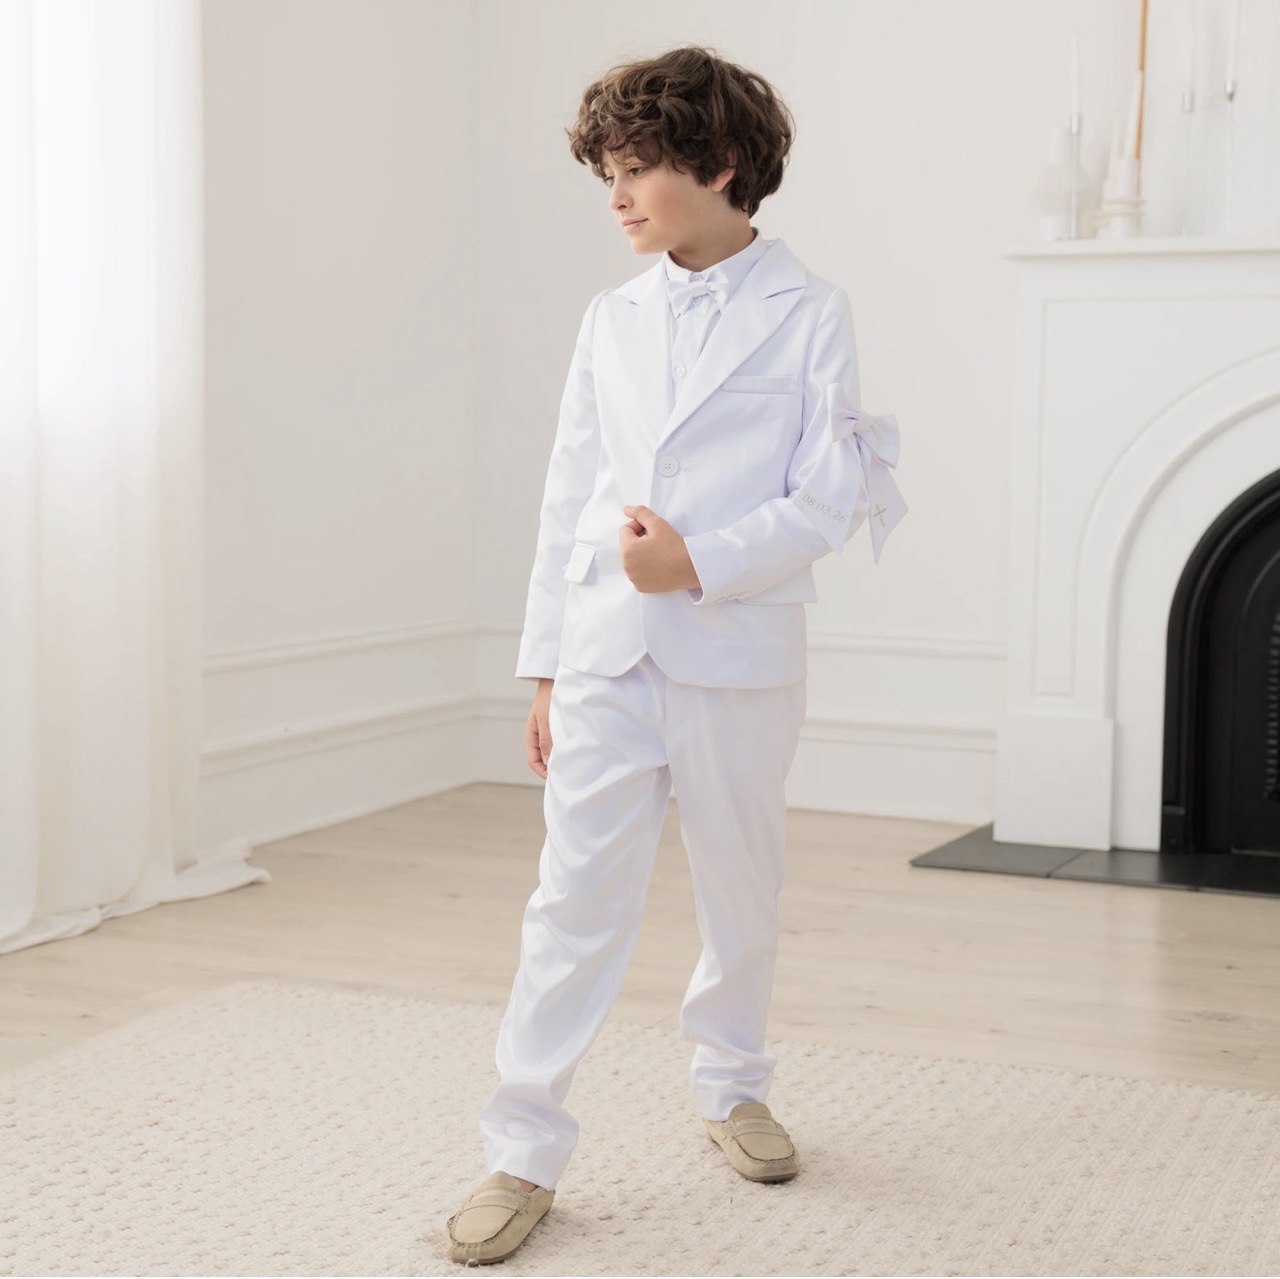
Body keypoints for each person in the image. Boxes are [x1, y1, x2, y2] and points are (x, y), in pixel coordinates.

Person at [445, 43, 906, 1267]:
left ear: (720, 165)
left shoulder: (809, 313)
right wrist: (547, 664)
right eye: (606, 171)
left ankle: (731, 1085)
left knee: (737, 885)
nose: (615, 195)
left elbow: (825, 498)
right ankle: (522, 1145)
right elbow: (569, 494)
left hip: (734, 651)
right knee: (570, 902)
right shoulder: (612, 317)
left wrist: (693, 558)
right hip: (605, 653)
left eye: (637, 168)